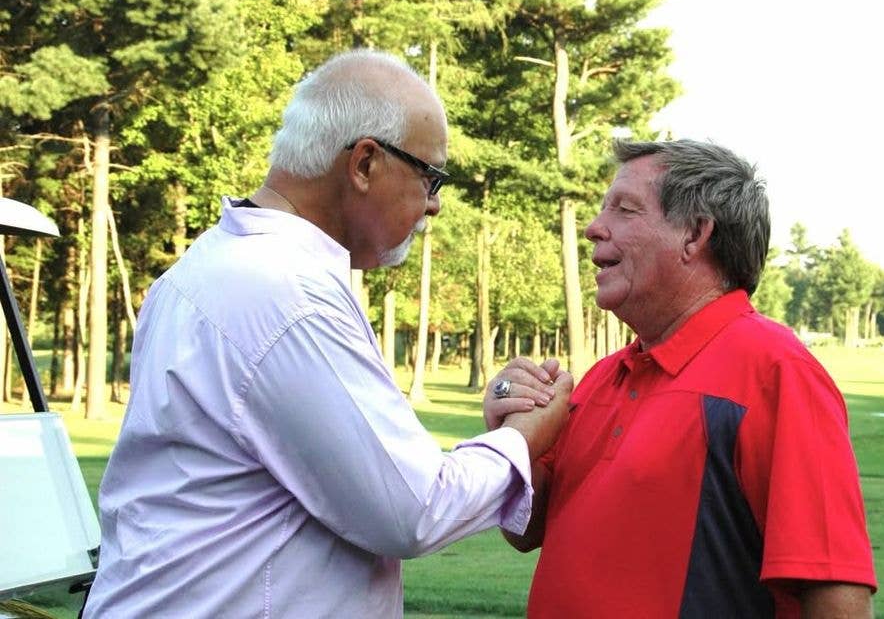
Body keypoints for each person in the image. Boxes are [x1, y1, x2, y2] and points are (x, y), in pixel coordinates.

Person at [83, 49, 570, 618]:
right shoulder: (287, 295)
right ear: (364, 163)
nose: (434, 205)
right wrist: (522, 438)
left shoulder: (208, 269)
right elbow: (414, 509)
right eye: (430, 177)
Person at [487, 139, 877, 618]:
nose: (593, 228)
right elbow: (526, 531)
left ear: (695, 234)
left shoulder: (777, 372)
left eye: (624, 209)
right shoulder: (605, 376)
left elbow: (835, 590)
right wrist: (513, 437)